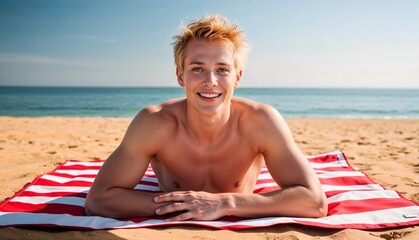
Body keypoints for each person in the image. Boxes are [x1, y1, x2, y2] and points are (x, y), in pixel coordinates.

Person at [85, 14, 328, 221]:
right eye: (197, 69)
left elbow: (315, 202)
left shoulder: (261, 122)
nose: (210, 81)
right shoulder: (154, 123)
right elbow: (98, 200)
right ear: (181, 77)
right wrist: (188, 205)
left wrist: (225, 203)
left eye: (222, 69)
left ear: (237, 77)